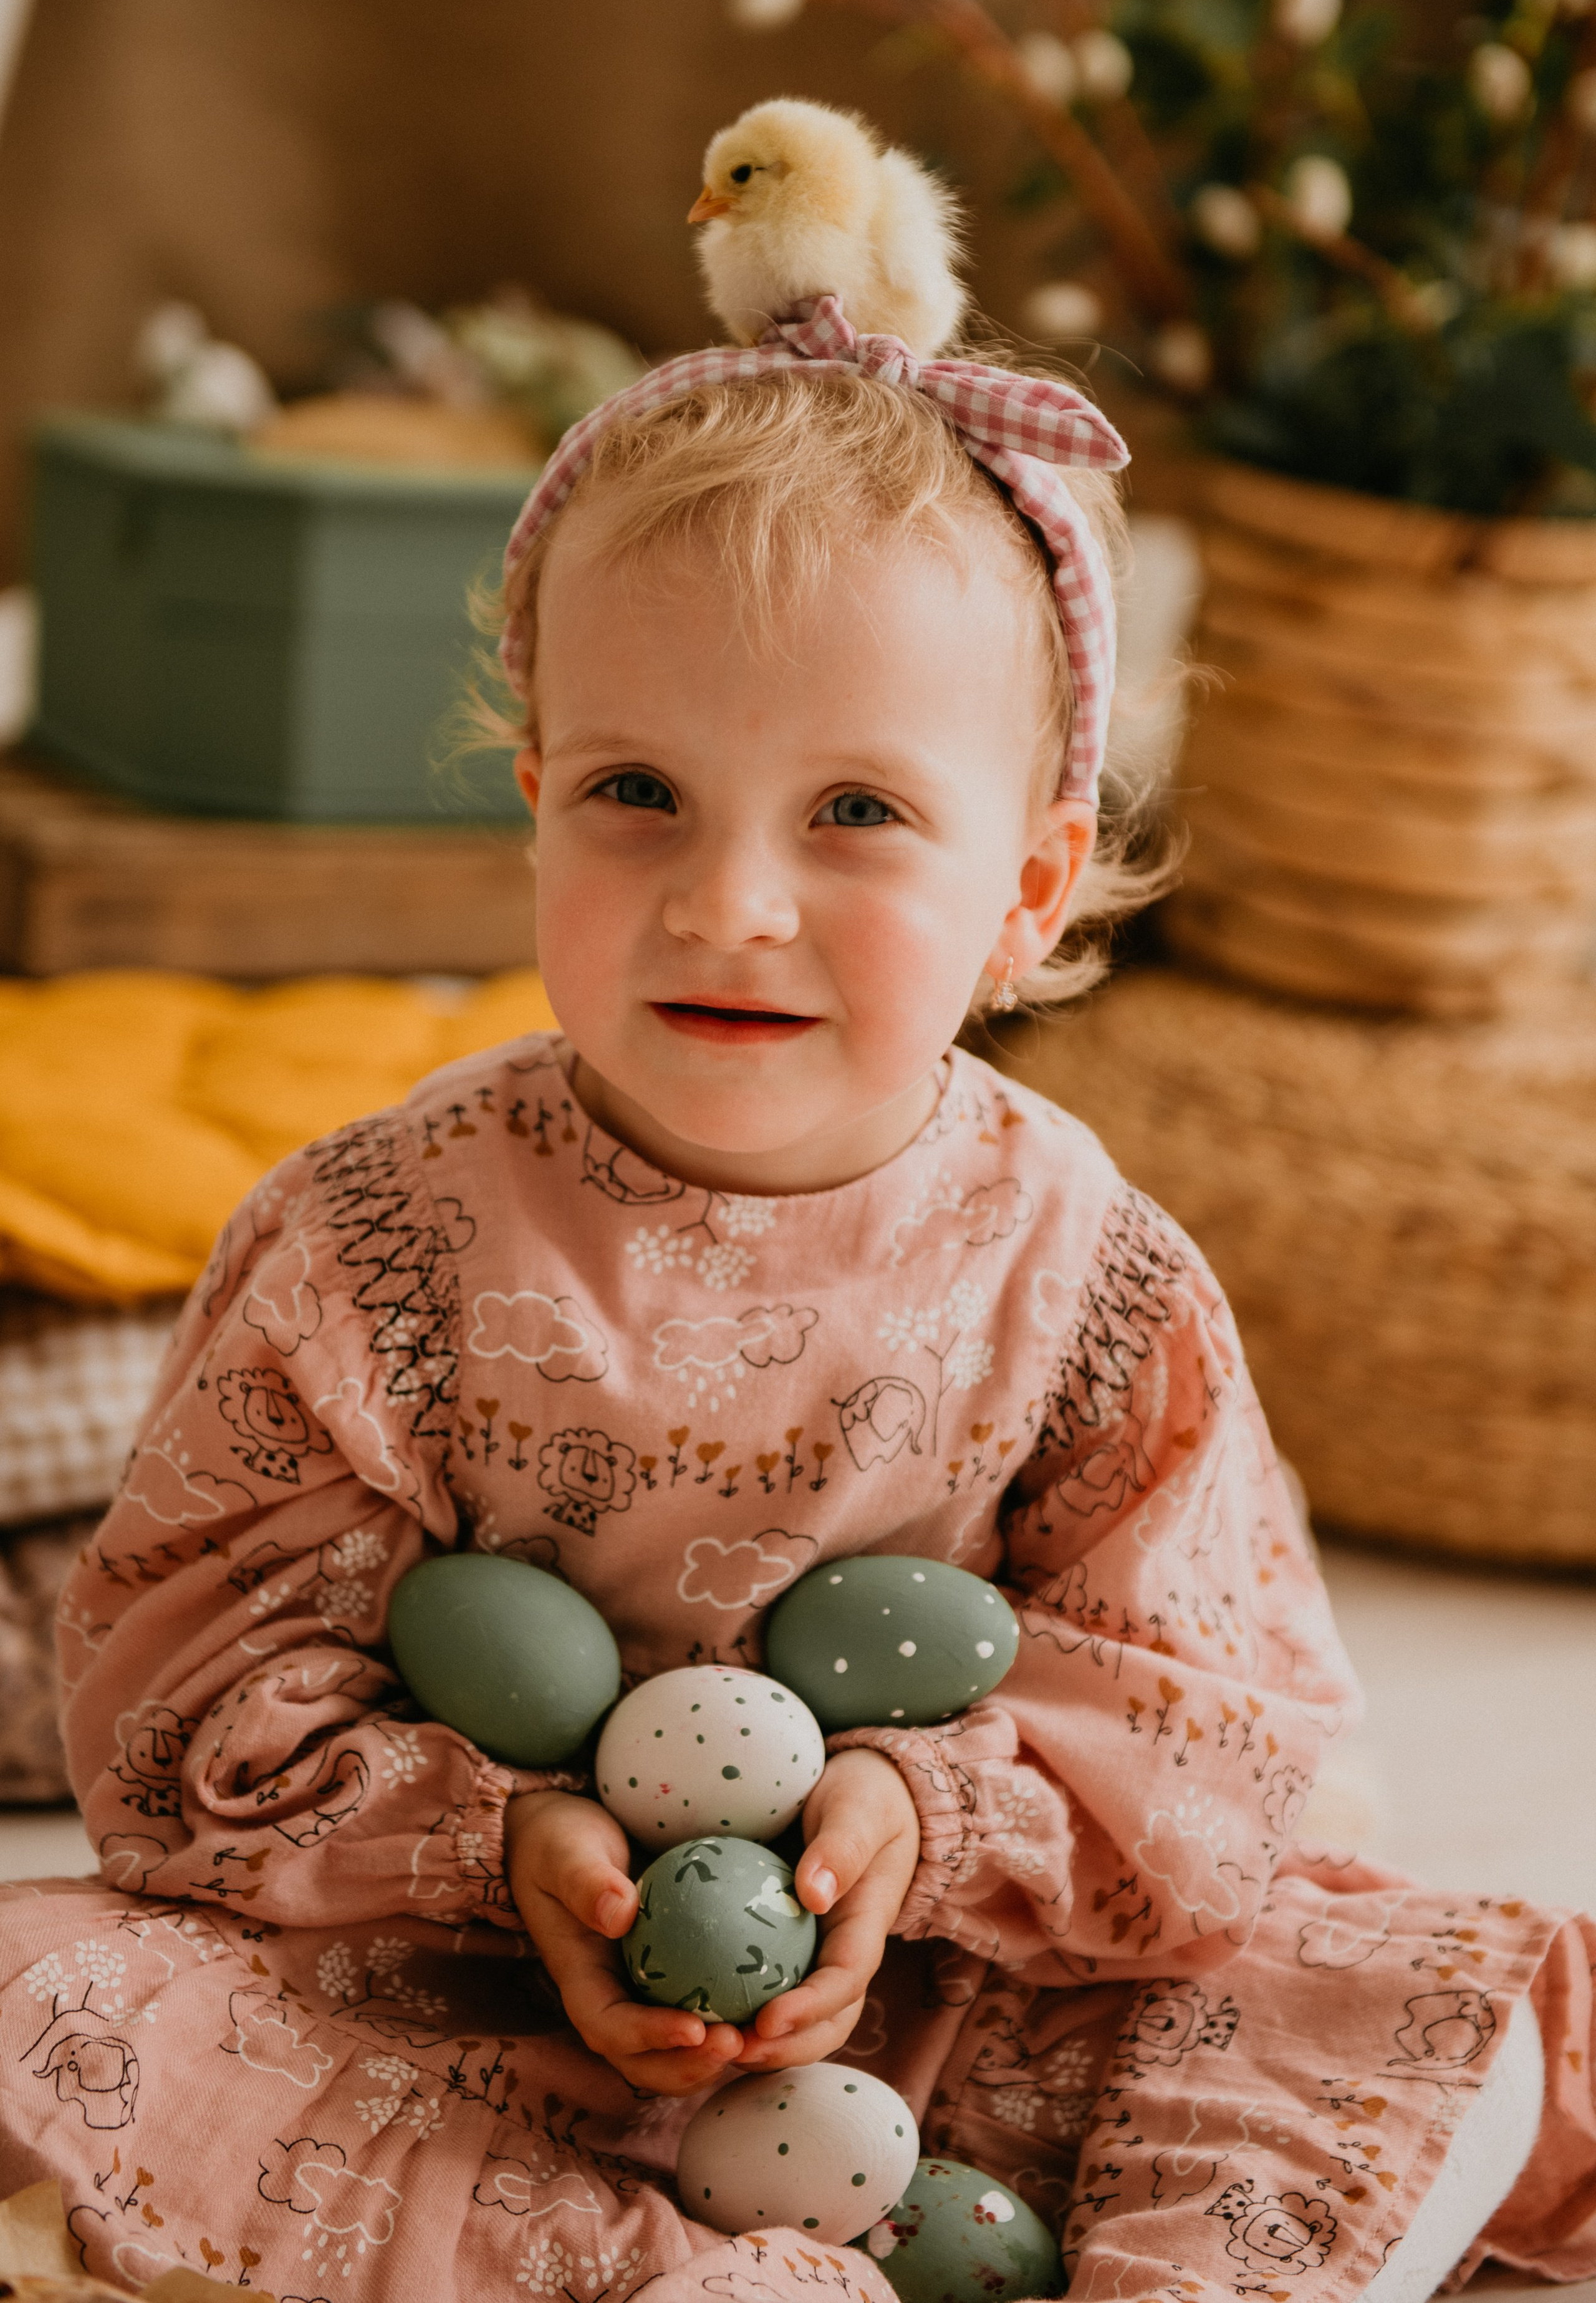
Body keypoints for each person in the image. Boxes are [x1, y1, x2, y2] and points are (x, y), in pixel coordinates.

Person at [2, 299, 1592, 2303]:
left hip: (960, 2010)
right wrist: (510, 1842)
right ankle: (615, 2258)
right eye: (638, 792)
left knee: (1431, 1988)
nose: (729, 897)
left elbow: (1219, 1726)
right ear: (536, 797)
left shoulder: (1087, 1272)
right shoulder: (374, 1247)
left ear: (1030, 884)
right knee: (43, 1990)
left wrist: (921, 1816)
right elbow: (176, 1692)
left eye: (855, 814)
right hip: (472, 2012)